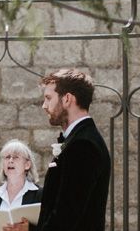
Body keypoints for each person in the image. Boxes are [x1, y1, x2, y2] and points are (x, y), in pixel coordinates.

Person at [37, 68, 110, 231]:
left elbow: (66, 218)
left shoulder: (84, 145)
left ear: (67, 99)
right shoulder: (79, 139)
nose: (44, 106)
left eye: (48, 98)